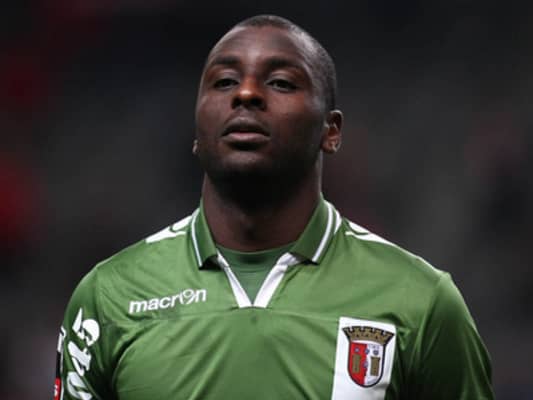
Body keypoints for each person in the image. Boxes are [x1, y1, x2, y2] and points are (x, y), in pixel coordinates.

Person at [54, 15, 494, 400]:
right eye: (224, 82)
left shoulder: (421, 303)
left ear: (331, 131)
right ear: (196, 130)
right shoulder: (108, 298)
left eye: (281, 82)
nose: (246, 93)